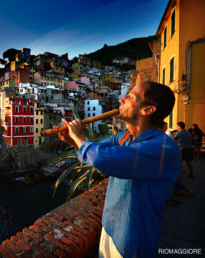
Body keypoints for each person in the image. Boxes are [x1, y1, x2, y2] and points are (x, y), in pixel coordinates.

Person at [58, 81, 181, 258]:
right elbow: (97, 156)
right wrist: (72, 140)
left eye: (130, 96)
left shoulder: (163, 149)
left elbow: (99, 156)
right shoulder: (124, 137)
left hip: (133, 240)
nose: (121, 99)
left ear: (147, 110)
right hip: (109, 227)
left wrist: (77, 136)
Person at [156, 121, 195, 196]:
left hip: (181, 149)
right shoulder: (188, 133)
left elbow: (171, 140)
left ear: (179, 126)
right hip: (188, 149)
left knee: (179, 164)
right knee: (188, 162)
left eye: (177, 126)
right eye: (165, 127)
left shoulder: (178, 133)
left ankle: (179, 179)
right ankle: (191, 174)